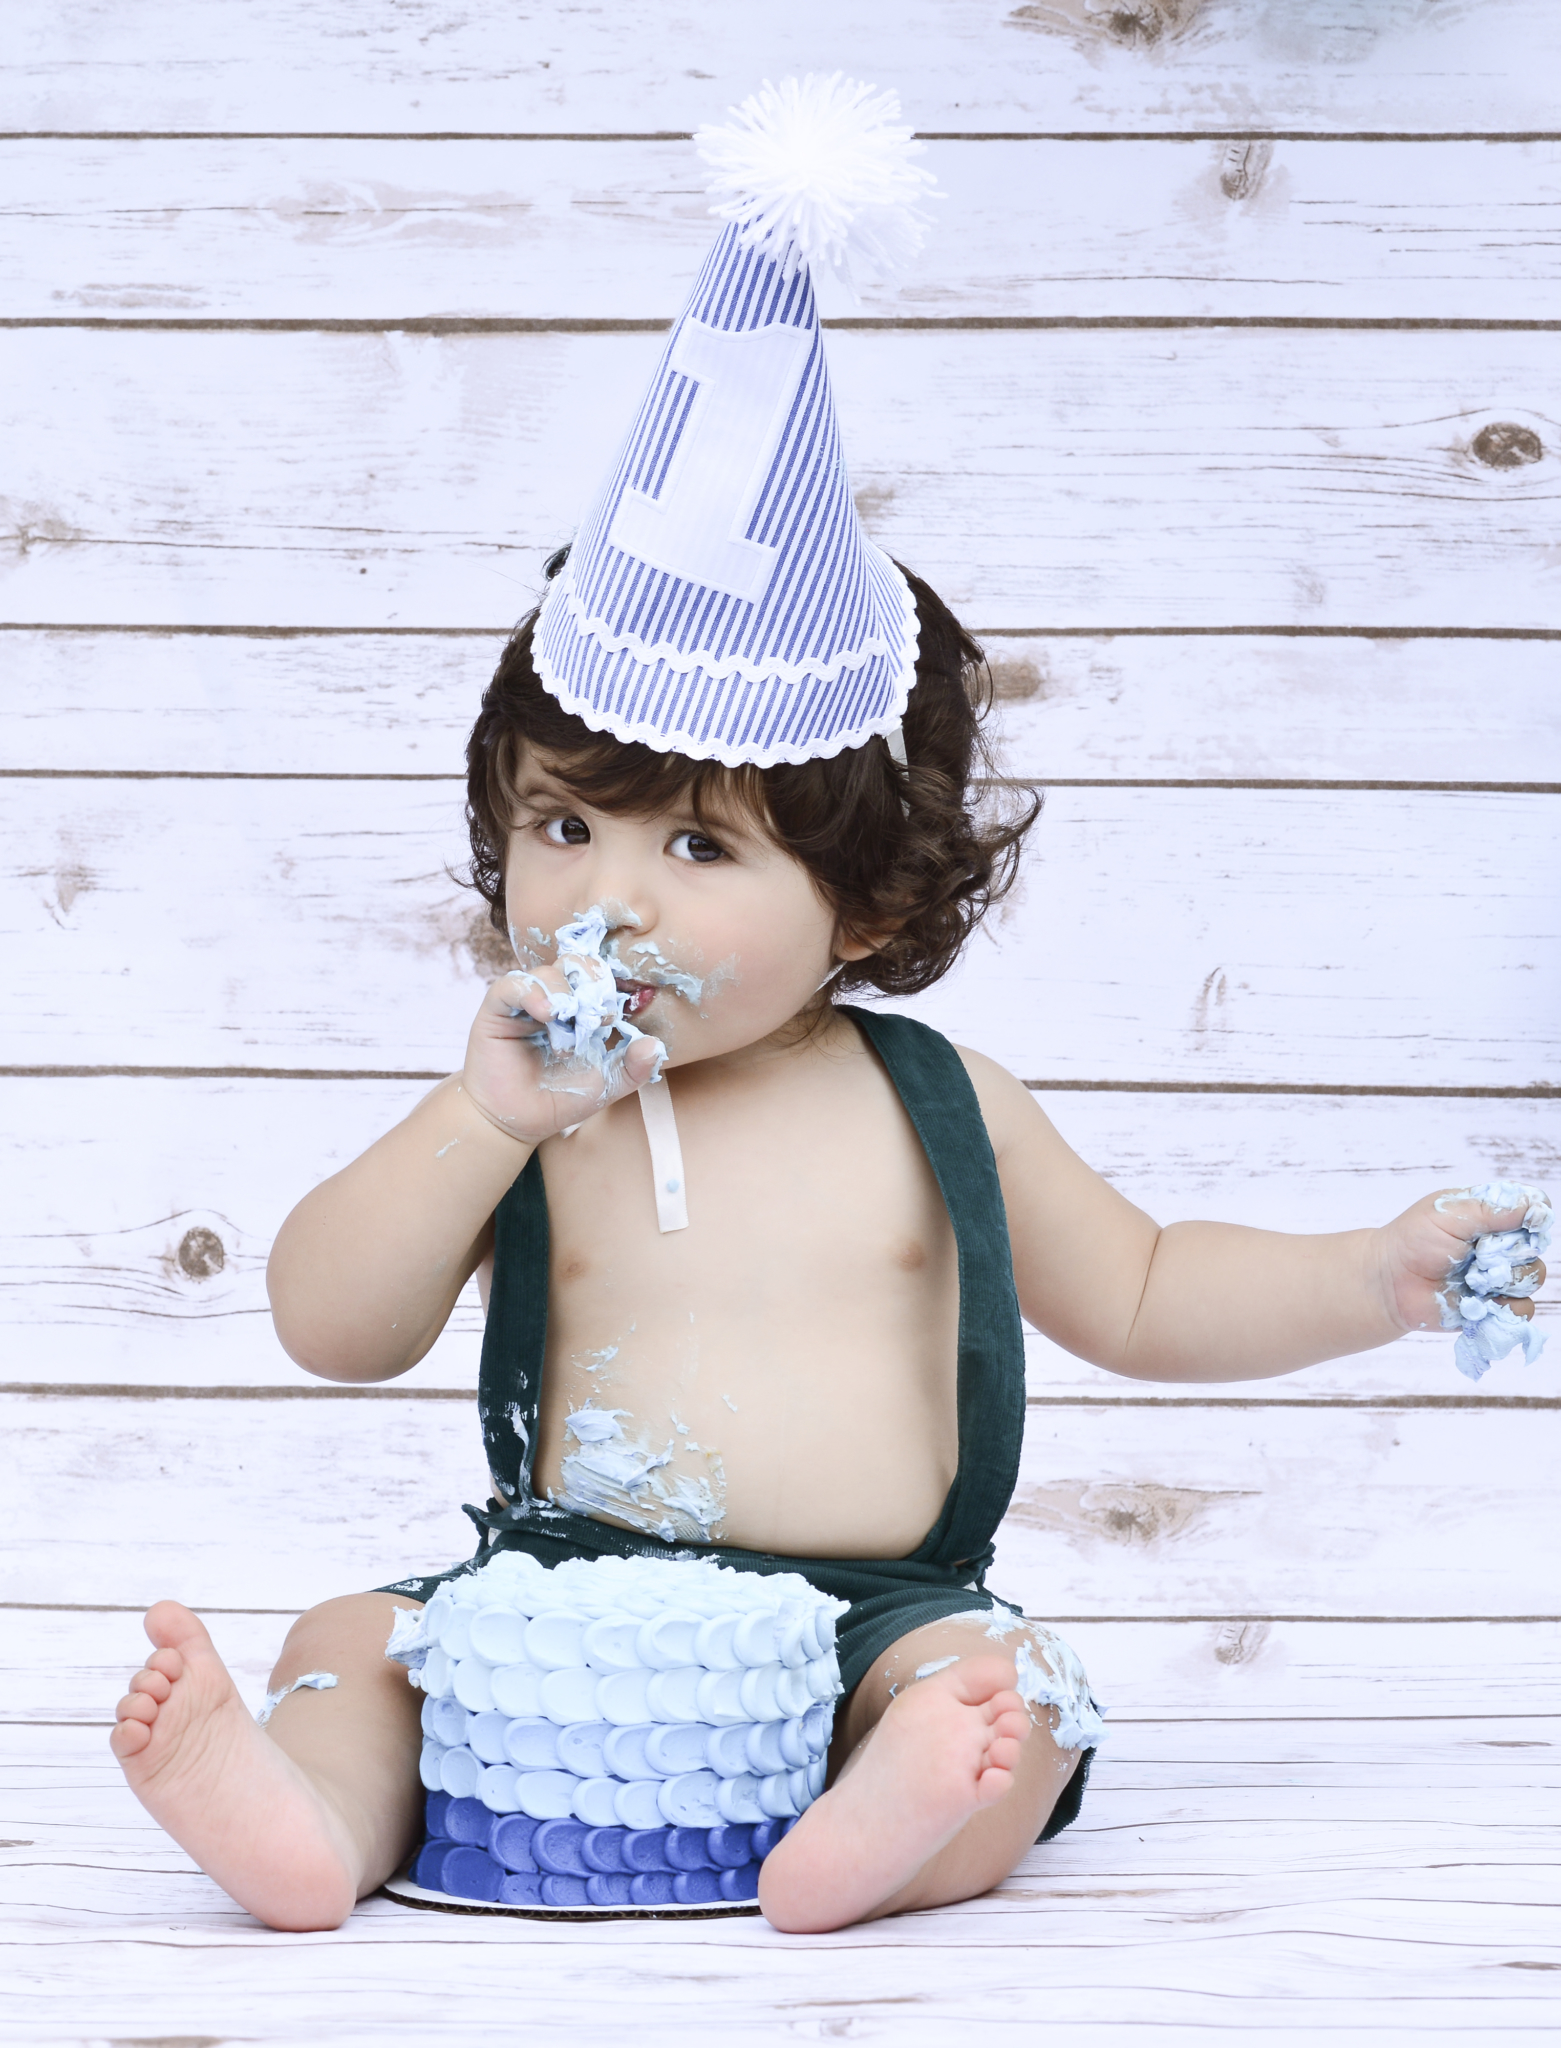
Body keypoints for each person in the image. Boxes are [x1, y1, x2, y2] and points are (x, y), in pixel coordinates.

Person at [105, 77, 1548, 1938]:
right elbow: (332, 1323)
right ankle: (304, 1813)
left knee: (1006, 1697)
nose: (606, 898)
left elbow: (1143, 1287)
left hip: (878, 1617)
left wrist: (1372, 1275)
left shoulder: (934, 1103)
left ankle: (884, 1829)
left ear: (865, 903)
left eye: (699, 846)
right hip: (566, 1598)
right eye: (562, 823)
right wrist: (478, 1124)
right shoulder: (532, 1110)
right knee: (354, 1635)